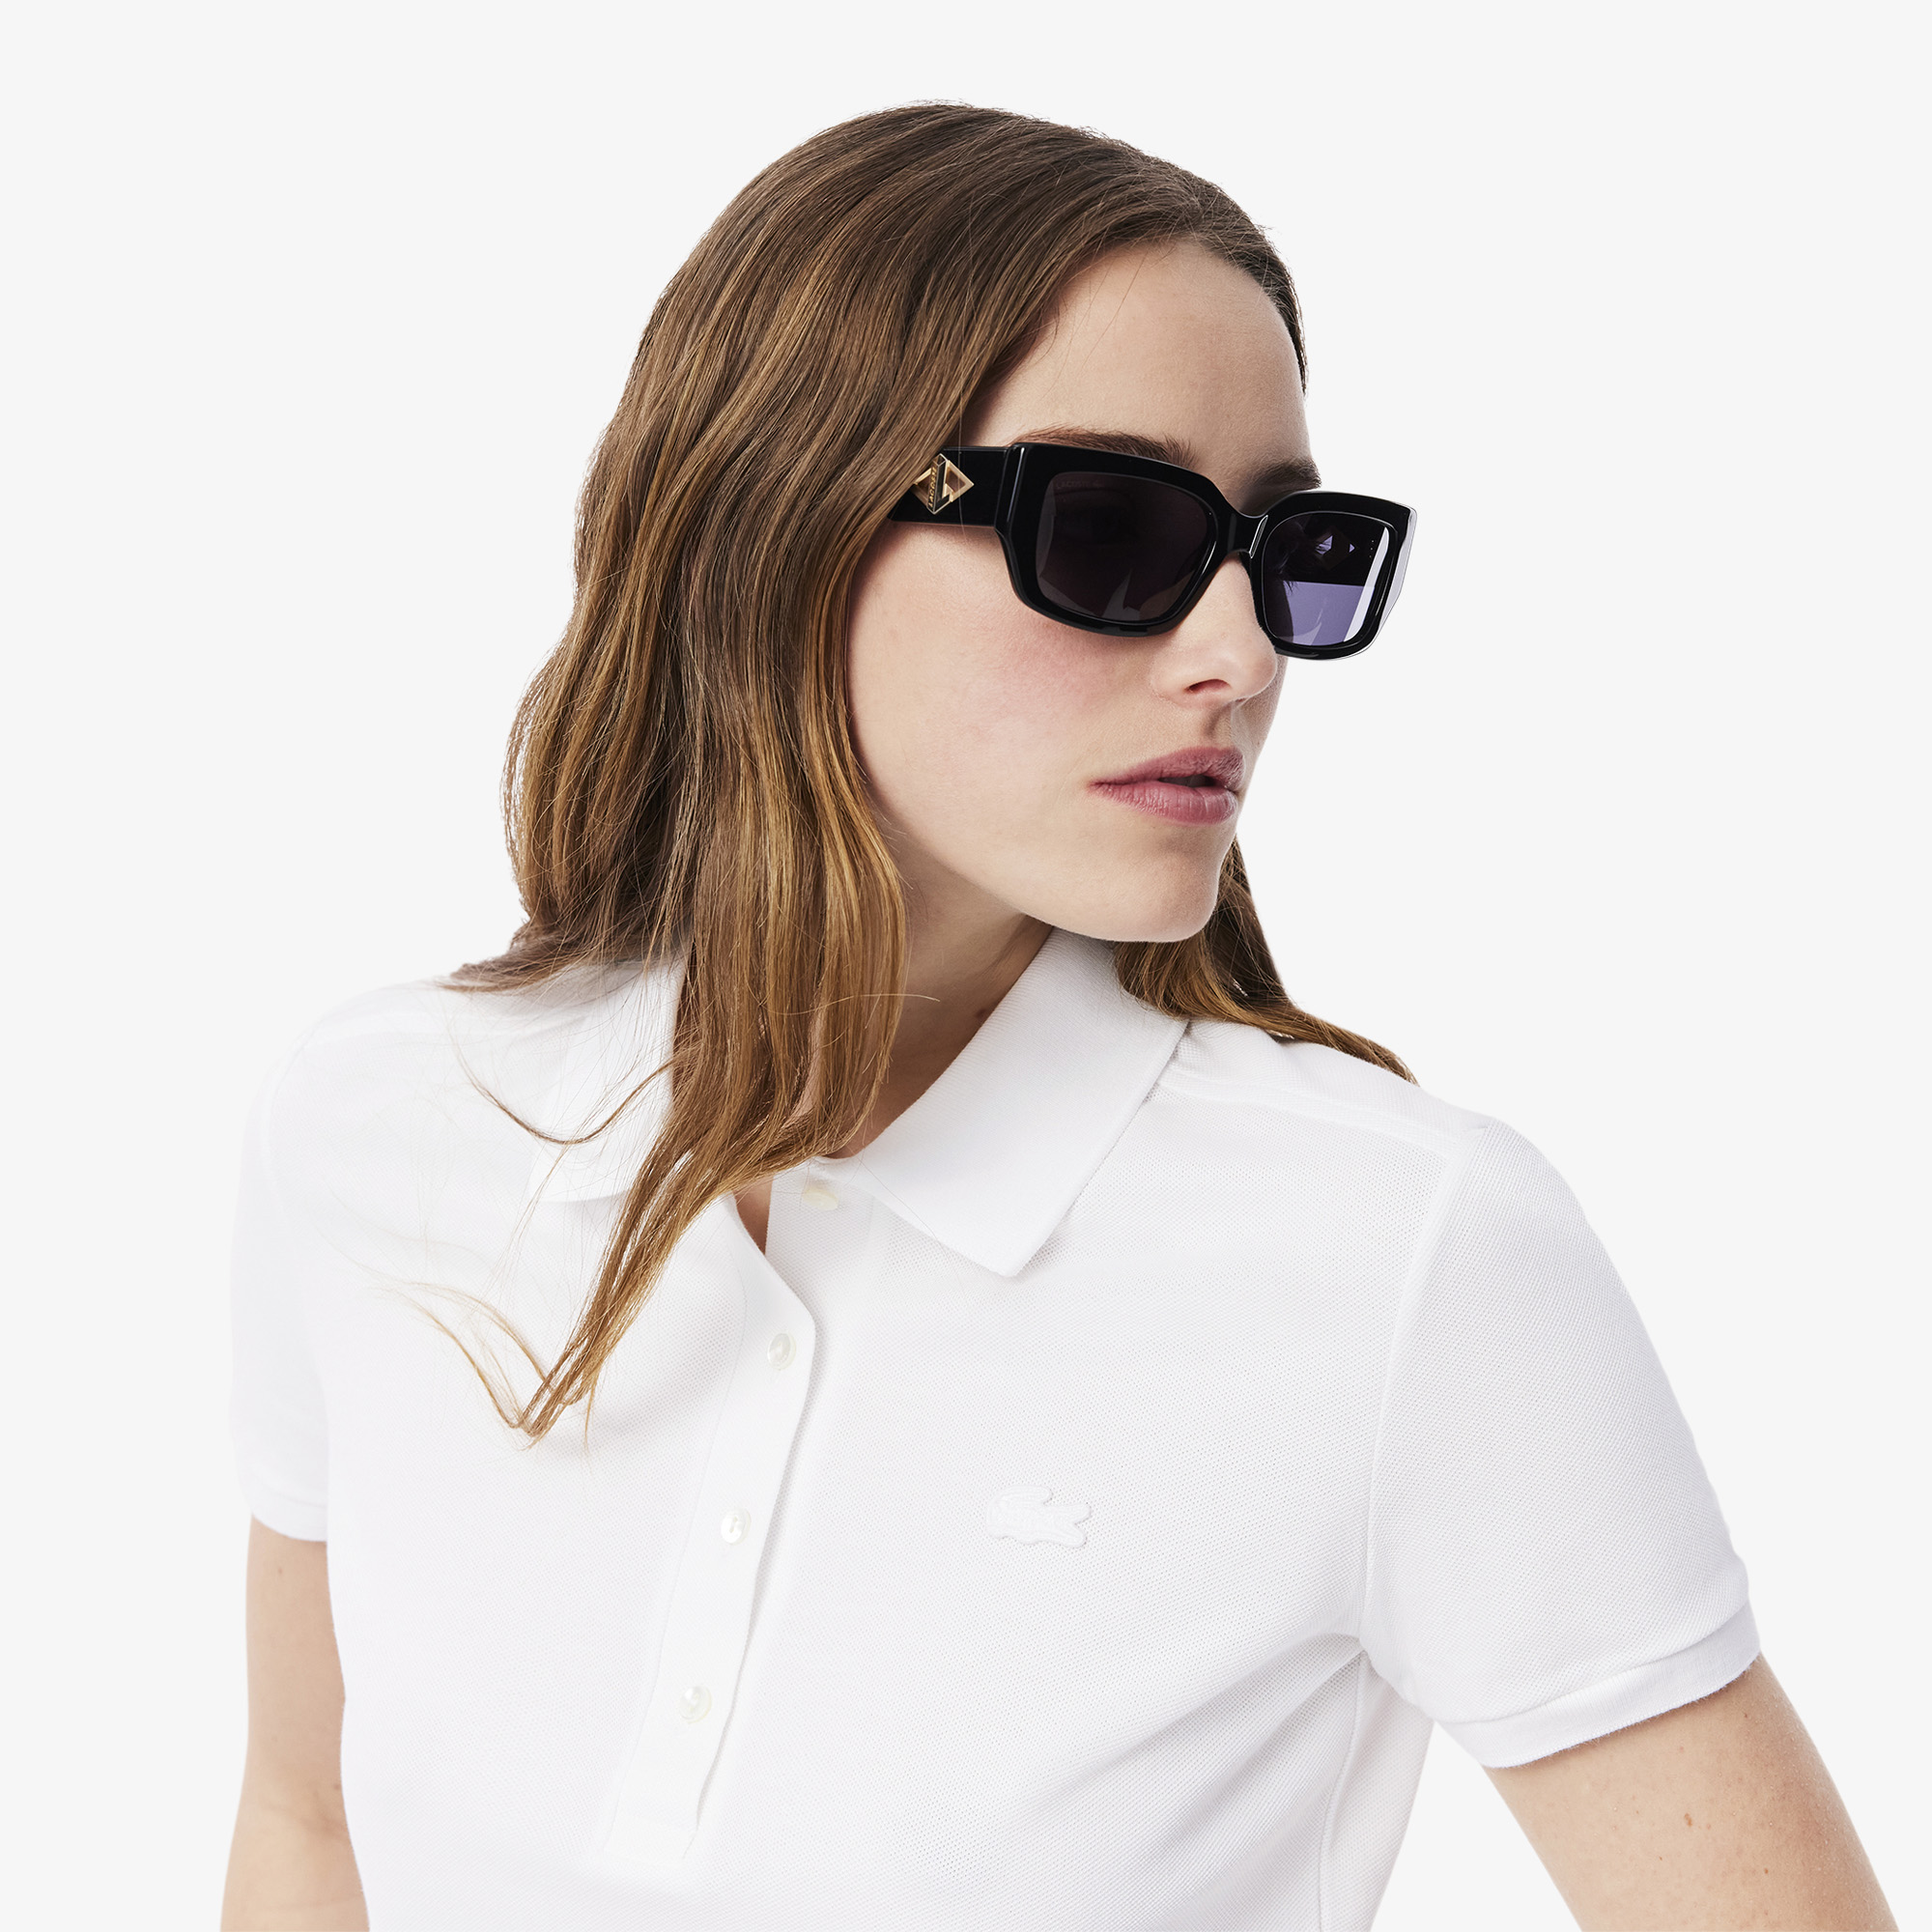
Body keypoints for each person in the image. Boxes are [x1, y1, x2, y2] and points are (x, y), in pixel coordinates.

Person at [220, 104, 1893, 1931]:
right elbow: (309, 1830)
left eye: (1290, 550)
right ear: (775, 523)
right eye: (1115, 530)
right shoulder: (385, 1127)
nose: (1242, 655)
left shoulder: (1410, 1251)